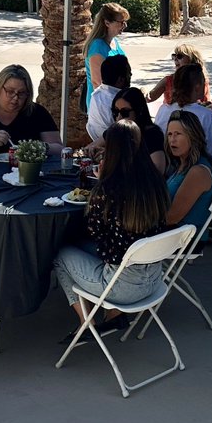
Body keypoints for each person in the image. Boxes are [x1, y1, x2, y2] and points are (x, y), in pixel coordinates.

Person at [52, 121, 167, 332]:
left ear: (112, 151)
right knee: (85, 245)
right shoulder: (155, 181)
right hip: (154, 278)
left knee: (60, 252)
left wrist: (101, 182)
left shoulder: (108, 189)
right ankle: (113, 316)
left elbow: (95, 232)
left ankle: (87, 323)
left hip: (121, 286)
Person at [154, 64, 212, 162]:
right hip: (195, 170)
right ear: (197, 87)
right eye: (204, 83)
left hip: (166, 168)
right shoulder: (207, 115)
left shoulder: (163, 109)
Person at [163, 109, 212, 232]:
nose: (172, 140)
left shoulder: (198, 172)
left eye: (178, 134)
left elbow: (172, 217)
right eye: (170, 134)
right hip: (171, 234)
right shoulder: (182, 164)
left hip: (182, 239)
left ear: (193, 136)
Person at [91, 87, 167, 174]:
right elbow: (92, 147)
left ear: (139, 111)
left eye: (125, 113)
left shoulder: (152, 135)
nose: (119, 117)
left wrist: (114, 156)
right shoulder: (117, 129)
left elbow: (158, 170)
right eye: (115, 112)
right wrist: (96, 152)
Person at [84, 3, 129, 106]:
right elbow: (97, 82)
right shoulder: (97, 46)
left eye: (125, 22)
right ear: (107, 23)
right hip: (102, 105)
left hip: (115, 101)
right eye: (121, 22)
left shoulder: (114, 42)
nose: (125, 26)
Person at [147, 43, 211, 106]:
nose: (175, 59)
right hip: (172, 115)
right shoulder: (168, 80)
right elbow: (149, 98)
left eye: (179, 56)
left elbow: (207, 102)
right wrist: (144, 93)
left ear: (192, 59)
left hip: (195, 115)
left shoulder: (202, 80)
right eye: (174, 56)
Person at [86, 55, 132, 142]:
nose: (131, 75)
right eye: (129, 73)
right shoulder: (120, 102)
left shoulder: (95, 95)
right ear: (120, 80)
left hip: (97, 142)